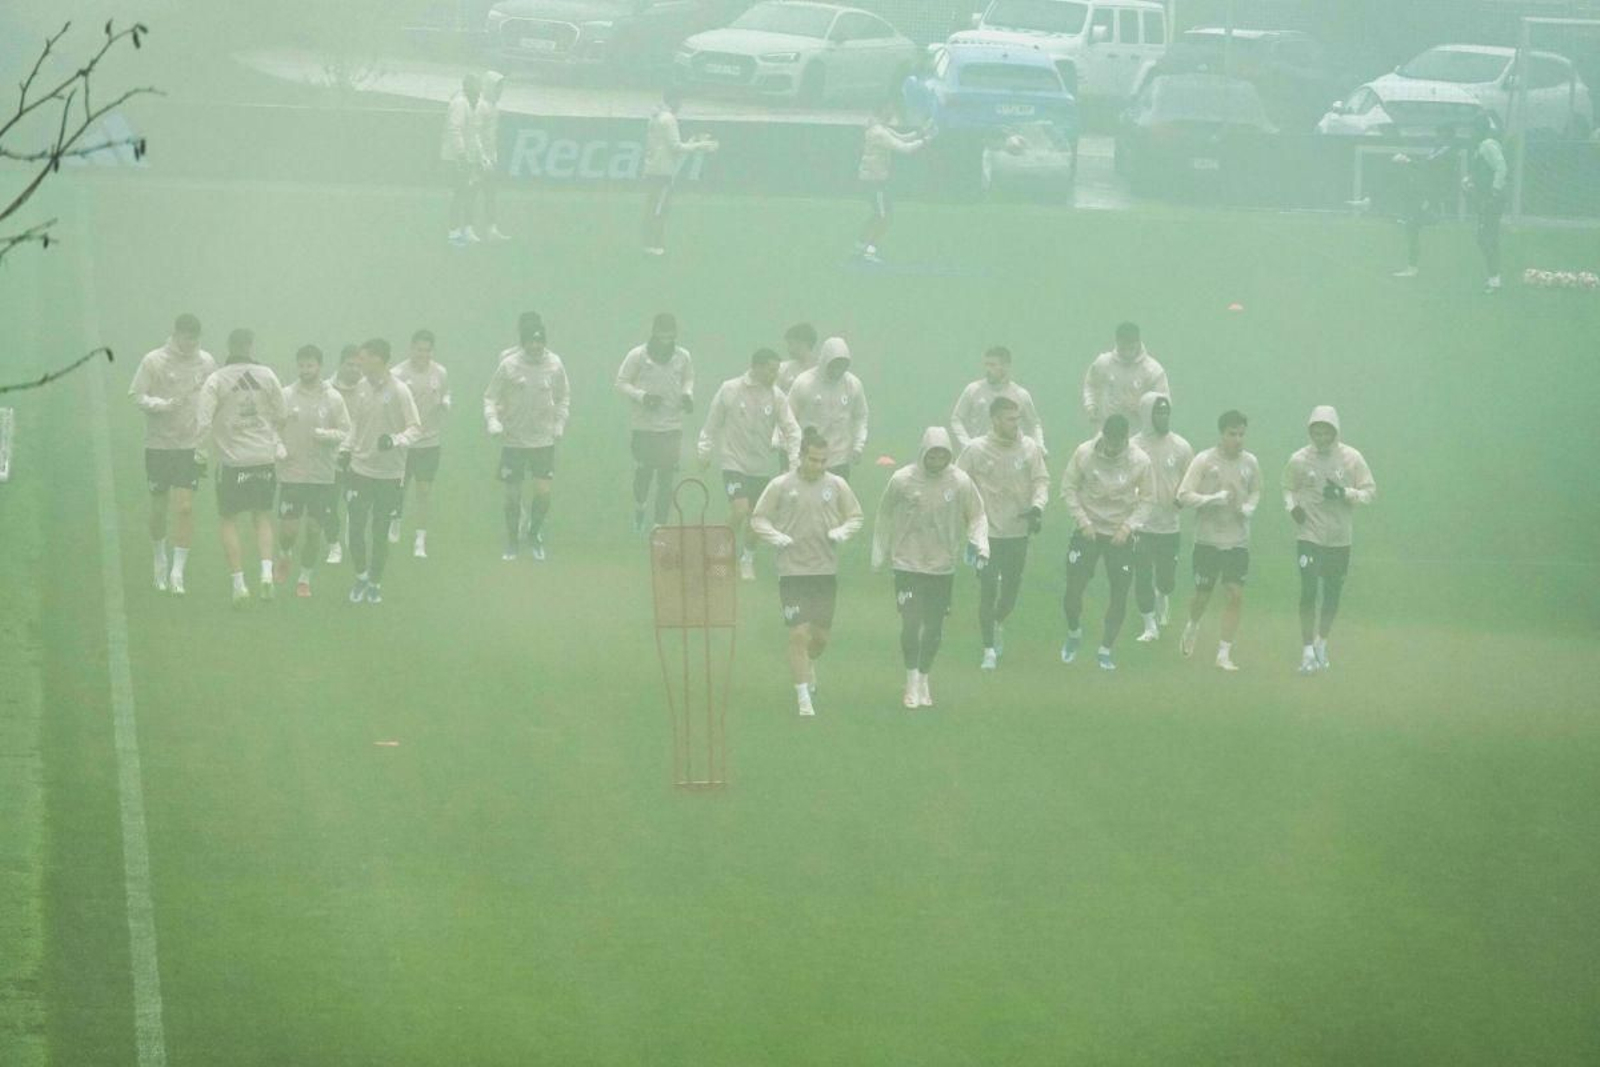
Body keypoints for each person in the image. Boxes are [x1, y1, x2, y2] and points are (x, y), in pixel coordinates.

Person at [750, 428, 865, 717]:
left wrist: (842, 532)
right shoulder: (781, 485)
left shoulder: (836, 485)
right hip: (792, 572)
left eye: (823, 461)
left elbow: (856, 516)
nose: (818, 466)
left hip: (824, 571)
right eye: (813, 460)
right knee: (798, 634)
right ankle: (803, 697)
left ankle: (809, 663)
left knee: (820, 638)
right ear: (801, 456)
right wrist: (776, 537)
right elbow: (759, 519)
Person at [872, 427, 989, 709]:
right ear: (923, 453)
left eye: (942, 456)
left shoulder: (959, 482)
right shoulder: (902, 480)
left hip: (941, 566)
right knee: (911, 624)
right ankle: (911, 680)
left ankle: (924, 677)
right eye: (932, 455)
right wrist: (879, 553)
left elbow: (977, 515)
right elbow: (884, 514)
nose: (937, 461)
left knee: (934, 629)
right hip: (907, 564)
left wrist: (981, 545)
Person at [194, 328, 287, 606]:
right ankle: (267, 574)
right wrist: (269, 436)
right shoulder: (267, 375)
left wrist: (200, 454)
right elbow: (281, 414)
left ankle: (239, 584)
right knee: (262, 516)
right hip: (263, 459)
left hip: (232, 462)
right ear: (251, 346)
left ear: (229, 346)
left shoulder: (216, 379)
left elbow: (203, 421)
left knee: (228, 520)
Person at [955, 396, 1049, 671]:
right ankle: (988, 650)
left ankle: (998, 621)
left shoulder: (1029, 448)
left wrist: (1037, 507)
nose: (1016, 424)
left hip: (1017, 532)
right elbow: (958, 481)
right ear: (994, 419)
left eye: (1017, 418)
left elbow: (1041, 480)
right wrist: (968, 519)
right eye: (1010, 419)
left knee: (1009, 593)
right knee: (987, 588)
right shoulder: (975, 449)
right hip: (986, 533)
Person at [1283, 406, 1376, 674]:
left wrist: (1344, 493)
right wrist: (1292, 508)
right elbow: (1287, 487)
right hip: (1309, 535)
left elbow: (1370, 492)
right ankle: (1307, 652)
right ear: (1310, 431)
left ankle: (1322, 643)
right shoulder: (1299, 459)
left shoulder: (1351, 458)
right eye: (1317, 432)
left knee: (1332, 594)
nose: (1321, 438)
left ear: (1335, 432)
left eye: (1326, 432)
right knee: (1309, 589)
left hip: (1339, 538)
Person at [1059, 414, 1154, 671]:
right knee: (1072, 593)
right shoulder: (1084, 453)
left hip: (1119, 536)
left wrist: (1127, 527)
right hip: (1087, 531)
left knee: (1119, 593)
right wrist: (1083, 522)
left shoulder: (1140, 461)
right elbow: (1068, 488)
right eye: (1109, 441)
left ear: (1126, 439)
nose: (1112, 448)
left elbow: (1148, 499)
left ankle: (1105, 650)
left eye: (1117, 443)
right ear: (1103, 434)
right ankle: (1074, 633)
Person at [129, 312, 215, 596]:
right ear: (176, 334)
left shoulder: (206, 362)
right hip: (159, 445)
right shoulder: (154, 361)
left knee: (185, 507)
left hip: (189, 446)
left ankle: (178, 571)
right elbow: (137, 395)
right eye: (187, 338)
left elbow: (213, 398)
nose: (191, 344)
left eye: (195, 340)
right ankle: (159, 558)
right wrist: (162, 405)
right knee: (159, 508)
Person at [697, 348, 801, 581]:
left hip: (761, 468)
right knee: (740, 509)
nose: (775, 375)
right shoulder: (730, 389)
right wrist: (704, 451)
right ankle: (719, 555)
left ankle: (747, 558)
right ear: (757, 367)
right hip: (733, 463)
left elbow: (793, 430)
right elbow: (712, 423)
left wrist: (795, 463)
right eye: (771, 370)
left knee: (757, 517)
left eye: (777, 370)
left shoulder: (777, 397)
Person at [1176, 410, 1261, 671]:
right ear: (1221, 434)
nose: (1238, 439)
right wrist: (1211, 499)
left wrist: (1249, 507)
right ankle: (1192, 626)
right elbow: (1183, 495)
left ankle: (1224, 654)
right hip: (1208, 540)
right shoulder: (1204, 460)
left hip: (1237, 541)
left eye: (1241, 434)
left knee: (1235, 594)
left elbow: (1256, 490)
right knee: (1203, 595)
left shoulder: (1250, 462)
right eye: (1232, 434)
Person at [339, 338, 422, 605]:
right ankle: (361, 576)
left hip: (389, 475)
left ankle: (375, 582)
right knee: (355, 529)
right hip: (359, 470)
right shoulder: (360, 388)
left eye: (363, 358)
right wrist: (345, 449)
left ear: (378, 359)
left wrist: (395, 440)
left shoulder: (400, 391)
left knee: (379, 532)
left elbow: (415, 429)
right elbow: (355, 425)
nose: (359, 363)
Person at [484, 312, 570, 561]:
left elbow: (564, 396)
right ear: (523, 342)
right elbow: (490, 396)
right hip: (514, 440)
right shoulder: (509, 364)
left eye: (539, 341)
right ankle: (512, 540)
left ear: (544, 341)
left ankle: (534, 534)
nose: (535, 346)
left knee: (543, 493)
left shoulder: (555, 364)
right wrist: (493, 421)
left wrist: (559, 423)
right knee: (512, 496)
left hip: (543, 441)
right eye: (531, 341)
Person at [275, 345, 350, 598]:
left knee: (314, 530)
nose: (305, 370)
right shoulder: (286, 395)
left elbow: (345, 431)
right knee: (289, 530)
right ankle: (285, 554)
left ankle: (304, 578)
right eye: (302, 365)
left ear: (319, 366)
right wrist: (278, 446)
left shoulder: (333, 398)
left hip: (322, 476)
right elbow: (273, 427)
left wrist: (326, 435)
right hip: (292, 473)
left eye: (310, 365)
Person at [616, 312, 694, 530]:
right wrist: (643, 397)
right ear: (654, 332)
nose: (666, 340)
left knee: (666, 478)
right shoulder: (637, 355)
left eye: (670, 336)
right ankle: (640, 506)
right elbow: (621, 382)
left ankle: (659, 527)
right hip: (644, 426)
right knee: (645, 472)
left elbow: (688, 378)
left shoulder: (683, 356)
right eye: (662, 335)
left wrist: (687, 395)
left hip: (672, 426)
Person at [1129, 392, 1193, 643]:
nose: (1163, 417)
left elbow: (1191, 478)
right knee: (1142, 574)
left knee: (1166, 578)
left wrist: (1182, 497)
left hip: (1169, 525)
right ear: (1147, 414)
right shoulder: (1133, 446)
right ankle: (1149, 625)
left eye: (1166, 412)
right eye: (1158, 412)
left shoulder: (1181, 446)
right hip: (1141, 525)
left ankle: (1163, 595)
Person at [390, 329, 451, 559]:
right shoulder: (397, 374)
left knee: (424, 491)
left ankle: (420, 538)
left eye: (427, 350)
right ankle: (395, 520)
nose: (423, 354)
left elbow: (446, 393)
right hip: (405, 443)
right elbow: (389, 403)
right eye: (419, 350)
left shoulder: (440, 373)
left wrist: (446, 401)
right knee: (399, 488)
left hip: (430, 442)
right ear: (411, 348)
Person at [641, 86, 718, 256]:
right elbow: (676, 147)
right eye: (680, 101)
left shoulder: (656, 116)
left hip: (653, 168)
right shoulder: (668, 119)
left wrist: (693, 142)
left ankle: (649, 243)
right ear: (674, 100)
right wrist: (702, 145)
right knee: (660, 208)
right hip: (662, 171)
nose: (681, 105)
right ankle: (654, 245)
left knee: (653, 207)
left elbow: (669, 145)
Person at [855, 98, 929, 263]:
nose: (893, 112)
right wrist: (926, 140)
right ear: (882, 109)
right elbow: (905, 148)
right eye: (890, 108)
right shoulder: (878, 132)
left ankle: (861, 246)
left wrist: (922, 132)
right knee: (884, 217)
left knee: (879, 215)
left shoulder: (880, 127)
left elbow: (903, 138)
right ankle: (869, 252)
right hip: (874, 181)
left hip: (874, 179)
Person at [785, 336, 868, 481]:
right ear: (825, 360)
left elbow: (860, 416)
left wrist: (858, 444)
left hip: (839, 458)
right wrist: (792, 455)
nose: (838, 370)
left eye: (842, 365)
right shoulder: (804, 383)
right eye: (834, 364)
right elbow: (788, 418)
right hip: (809, 457)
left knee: (837, 494)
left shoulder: (853, 384)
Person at [1389, 127, 1460, 278]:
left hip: (1433, 194)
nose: (1437, 137)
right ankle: (1412, 265)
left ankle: (1412, 267)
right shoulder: (1439, 150)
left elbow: (1428, 168)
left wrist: (1407, 160)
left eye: (1440, 134)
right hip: (1428, 192)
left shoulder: (1446, 152)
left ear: (1446, 136)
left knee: (1413, 224)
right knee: (1411, 225)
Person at [950, 345, 1045, 453]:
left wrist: (1040, 446)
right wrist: (967, 444)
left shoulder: (1020, 394)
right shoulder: (973, 389)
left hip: (1010, 454)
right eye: (986, 364)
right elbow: (956, 418)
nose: (987, 369)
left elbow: (1034, 424)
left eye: (992, 365)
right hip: (980, 454)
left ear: (1006, 366)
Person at [1081, 322, 1170, 431]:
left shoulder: (1153, 370)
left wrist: (1141, 407)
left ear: (1138, 342)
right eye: (1123, 348)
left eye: (1131, 348)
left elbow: (1164, 403)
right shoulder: (1104, 363)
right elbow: (1091, 385)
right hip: (1108, 432)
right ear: (1117, 343)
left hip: (1140, 434)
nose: (1127, 353)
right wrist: (1091, 406)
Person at [325, 344, 362, 565]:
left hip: (358, 457)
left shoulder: (367, 389)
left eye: (358, 365)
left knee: (355, 503)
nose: (355, 369)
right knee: (329, 503)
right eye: (350, 365)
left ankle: (352, 535)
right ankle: (333, 544)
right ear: (340, 364)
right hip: (331, 456)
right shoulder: (326, 389)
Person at [1463, 112, 1507, 293]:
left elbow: (1501, 167)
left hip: (1491, 199)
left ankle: (1495, 280)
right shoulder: (1482, 145)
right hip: (1485, 198)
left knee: (1486, 238)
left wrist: (1495, 191)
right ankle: (1493, 278)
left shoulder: (1488, 144)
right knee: (1486, 237)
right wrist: (1470, 181)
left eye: (1472, 130)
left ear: (1478, 129)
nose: (1471, 133)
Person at [442, 73, 483, 246]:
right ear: (467, 87)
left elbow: (475, 133)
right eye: (476, 86)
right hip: (457, 159)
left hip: (470, 157)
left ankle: (467, 229)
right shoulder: (460, 103)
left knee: (470, 193)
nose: (479, 90)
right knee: (460, 193)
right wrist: (461, 155)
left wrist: (479, 155)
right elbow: (454, 129)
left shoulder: (476, 104)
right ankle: (453, 233)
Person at [471, 71, 510, 242]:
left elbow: (491, 136)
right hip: (477, 159)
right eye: (498, 87)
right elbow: (475, 134)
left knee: (490, 194)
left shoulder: (494, 107)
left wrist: (493, 156)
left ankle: (491, 230)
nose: (500, 91)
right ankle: (467, 229)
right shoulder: (481, 106)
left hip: (489, 159)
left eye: (501, 88)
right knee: (472, 193)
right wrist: (482, 158)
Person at [776, 322, 819, 394]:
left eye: (791, 344)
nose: (788, 349)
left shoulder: (821, 369)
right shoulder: (782, 369)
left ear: (803, 343)